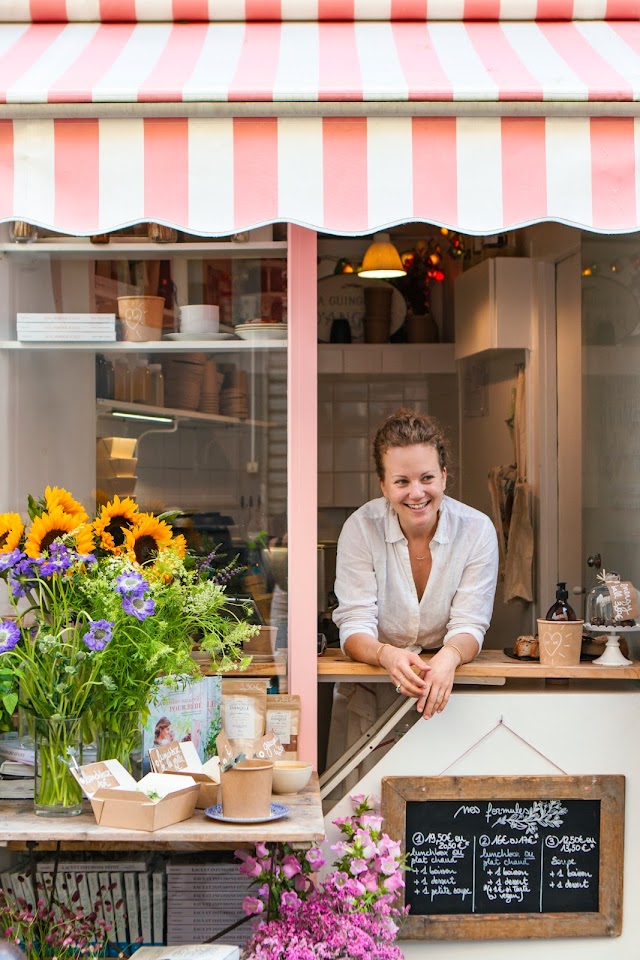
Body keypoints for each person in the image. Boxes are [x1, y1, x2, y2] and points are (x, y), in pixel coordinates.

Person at [333, 409, 499, 723]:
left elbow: (471, 624)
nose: (417, 493)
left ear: (444, 476)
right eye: (401, 481)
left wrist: (448, 657)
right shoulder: (360, 528)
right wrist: (386, 654)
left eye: (427, 478)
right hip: (371, 685)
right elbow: (354, 623)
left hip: (446, 688)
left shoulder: (477, 530)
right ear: (383, 486)